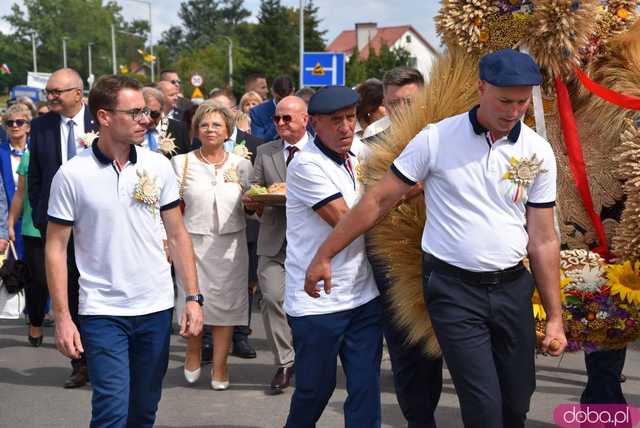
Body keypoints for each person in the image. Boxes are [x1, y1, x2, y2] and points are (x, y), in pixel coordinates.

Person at [305, 49, 567, 428]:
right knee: (483, 407)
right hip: (453, 291)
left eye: (522, 102)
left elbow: (542, 239)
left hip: (511, 289)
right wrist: (324, 254)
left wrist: (555, 316)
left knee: (516, 402)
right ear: (481, 88)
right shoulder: (437, 138)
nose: (513, 111)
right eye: (504, 100)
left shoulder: (537, 151)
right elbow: (378, 200)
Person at [46, 75, 203, 426]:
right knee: (111, 412)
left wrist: (193, 297)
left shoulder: (158, 165)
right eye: (134, 113)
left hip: (155, 307)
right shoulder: (72, 174)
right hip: (102, 310)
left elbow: (177, 234)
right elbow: (56, 248)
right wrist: (62, 317)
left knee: (143, 410)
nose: (145, 119)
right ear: (103, 117)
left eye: (146, 112)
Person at [283, 86, 382, 427]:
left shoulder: (360, 151)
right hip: (317, 301)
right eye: (335, 120)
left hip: (363, 296)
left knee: (366, 388)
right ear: (313, 123)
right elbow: (346, 220)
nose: (345, 128)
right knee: (315, 390)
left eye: (351, 118)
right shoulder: (305, 165)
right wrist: (403, 191)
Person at [361, 67, 444, 428]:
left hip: (444, 249)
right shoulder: (371, 140)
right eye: (393, 103)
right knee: (405, 346)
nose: (400, 109)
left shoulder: (446, 130)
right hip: (395, 250)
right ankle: (418, 419)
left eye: (408, 101)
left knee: (439, 343)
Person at [172, 102, 253, 390]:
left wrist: (254, 204)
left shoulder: (242, 164)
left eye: (217, 125)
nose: (210, 130)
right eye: (204, 125)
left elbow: (253, 206)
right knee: (193, 300)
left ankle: (221, 364)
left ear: (228, 130)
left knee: (227, 305)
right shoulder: (180, 163)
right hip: (191, 243)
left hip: (231, 246)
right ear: (196, 130)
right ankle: (193, 351)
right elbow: (170, 209)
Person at [28, 67, 98, 388]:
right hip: (57, 224)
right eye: (49, 92)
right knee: (68, 290)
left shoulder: (100, 121)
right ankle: (80, 363)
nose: (52, 97)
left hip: (98, 222)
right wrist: (41, 214)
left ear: (78, 94)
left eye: (58, 91)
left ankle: (103, 358)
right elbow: (37, 177)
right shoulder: (40, 126)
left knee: (95, 289)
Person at [242, 95, 311, 394]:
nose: (280, 123)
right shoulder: (266, 151)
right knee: (271, 297)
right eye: (277, 119)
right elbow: (255, 189)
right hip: (273, 238)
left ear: (305, 119)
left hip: (310, 241)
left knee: (311, 307)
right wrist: (250, 201)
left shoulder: (321, 151)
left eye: (287, 119)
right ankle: (285, 362)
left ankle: (310, 360)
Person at [196, 93, 262, 360]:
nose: (213, 125)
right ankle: (209, 337)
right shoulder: (197, 147)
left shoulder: (254, 146)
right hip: (205, 230)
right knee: (207, 285)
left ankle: (240, 334)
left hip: (243, 227)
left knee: (242, 283)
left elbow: (257, 187)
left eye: (223, 111)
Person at [1, 104, 32, 259]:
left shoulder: (37, 150)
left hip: (32, 220)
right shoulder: (1, 153)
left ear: (28, 127)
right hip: (7, 220)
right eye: (10, 122)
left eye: (19, 122)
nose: (14, 125)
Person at [141, 87, 190, 158]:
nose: (149, 119)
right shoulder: (131, 131)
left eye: (154, 114)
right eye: (144, 113)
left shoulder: (179, 129)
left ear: (162, 110)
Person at [250, 75, 295, 142]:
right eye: (279, 99)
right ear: (272, 92)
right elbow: (258, 142)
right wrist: (278, 121)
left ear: (293, 91)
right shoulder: (258, 112)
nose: (283, 103)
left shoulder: (300, 110)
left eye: (286, 99)